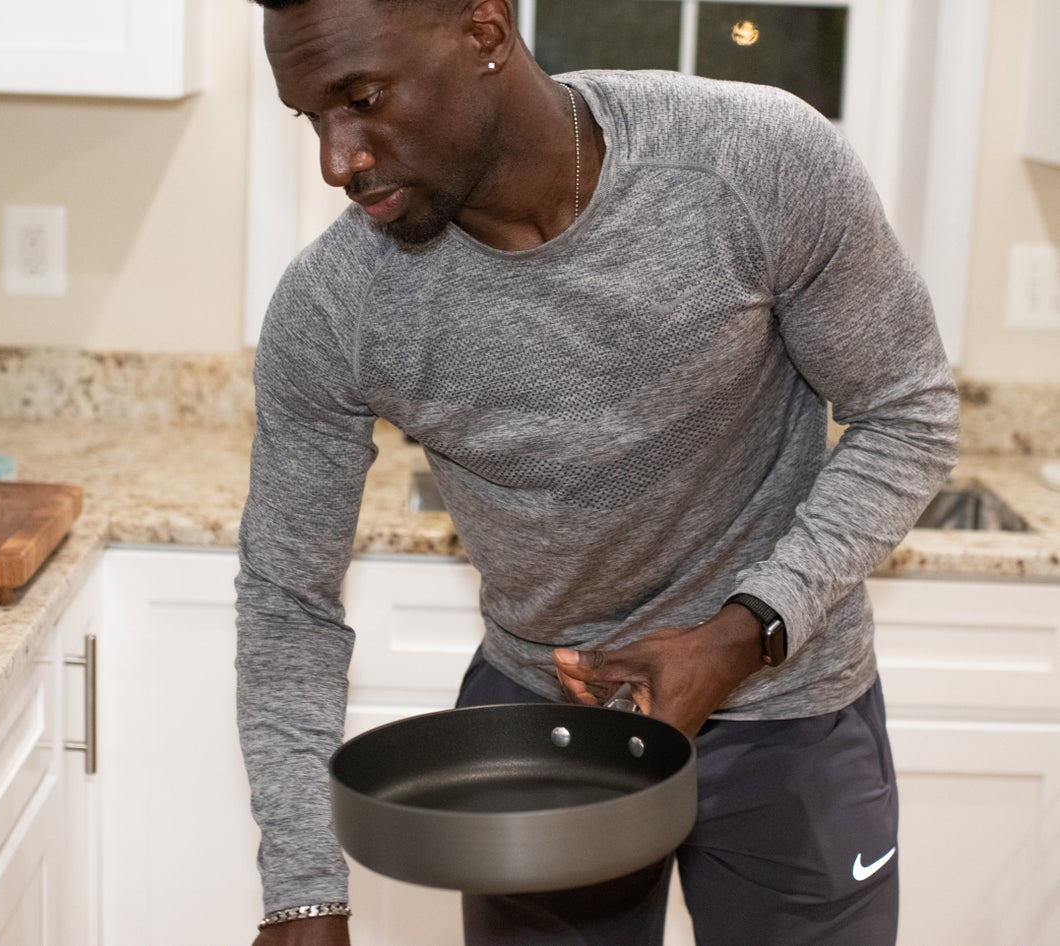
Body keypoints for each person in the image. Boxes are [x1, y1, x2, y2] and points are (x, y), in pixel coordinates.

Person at [235, 0, 960, 943]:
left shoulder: (751, 161)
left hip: (791, 715)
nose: (337, 160)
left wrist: (746, 631)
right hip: (541, 741)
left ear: (486, 34)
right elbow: (287, 600)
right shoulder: (336, 307)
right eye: (311, 119)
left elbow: (908, 414)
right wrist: (303, 890)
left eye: (363, 99)